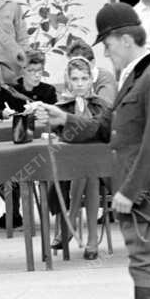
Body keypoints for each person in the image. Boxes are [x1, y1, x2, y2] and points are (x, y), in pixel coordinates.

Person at [40, 3, 150, 299]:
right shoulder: (136, 76)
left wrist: (130, 191)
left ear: (125, 38)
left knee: (144, 267)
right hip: (148, 191)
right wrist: (65, 120)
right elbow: (108, 128)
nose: (105, 51)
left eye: (107, 43)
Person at [50, 57, 109, 260]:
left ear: (91, 79)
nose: (80, 83)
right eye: (75, 79)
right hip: (66, 169)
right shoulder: (60, 107)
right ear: (68, 81)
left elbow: (104, 130)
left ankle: (72, 219)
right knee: (85, 172)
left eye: (84, 78)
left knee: (90, 172)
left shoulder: (100, 105)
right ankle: (91, 239)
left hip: (102, 167)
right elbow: (56, 132)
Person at [0, 51, 57, 228]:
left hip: (40, 144)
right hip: (12, 144)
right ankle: (13, 210)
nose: (37, 75)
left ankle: (48, 208)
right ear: (23, 71)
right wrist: (2, 113)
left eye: (40, 70)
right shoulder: (10, 90)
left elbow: (56, 114)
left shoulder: (48, 91)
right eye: (32, 70)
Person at [67, 39, 116, 105]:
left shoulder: (105, 78)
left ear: (92, 62)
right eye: (73, 64)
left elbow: (105, 108)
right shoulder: (73, 78)